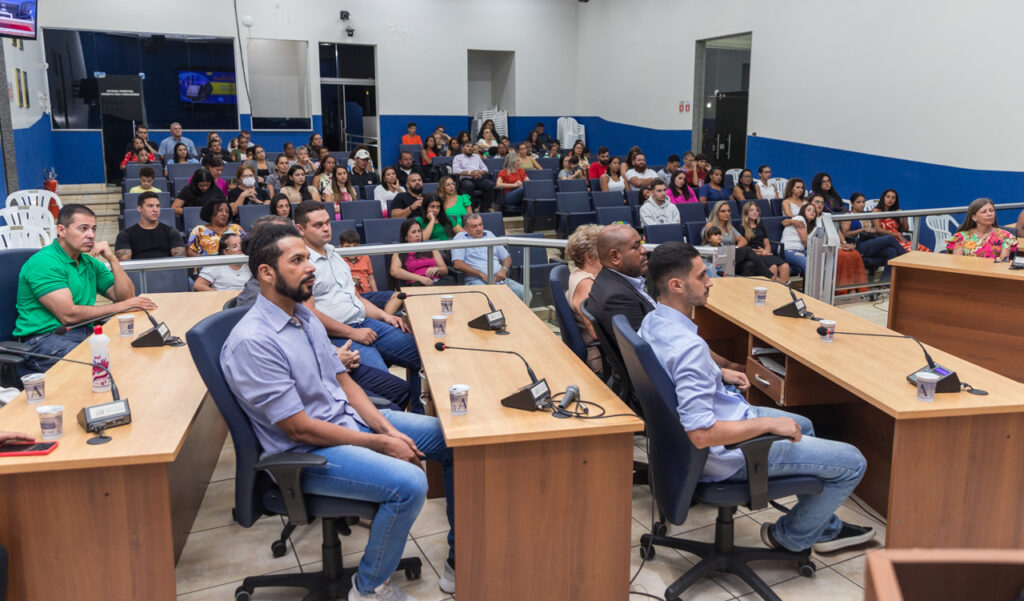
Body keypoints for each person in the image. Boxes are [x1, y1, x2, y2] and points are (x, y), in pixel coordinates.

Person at [219, 224, 455, 600]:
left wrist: (383, 427)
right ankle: (369, 588)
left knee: (451, 440)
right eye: (297, 260)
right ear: (266, 273)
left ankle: (457, 561)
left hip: (347, 422)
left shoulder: (304, 315)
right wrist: (379, 442)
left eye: (308, 259)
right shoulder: (254, 341)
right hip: (308, 453)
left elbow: (343, 380)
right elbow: (299, 430)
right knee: (409, 486)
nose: (310, 267)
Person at [639, 241, 875, 555]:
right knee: (854, 463)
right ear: (677, 285)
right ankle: (790, 536)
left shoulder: (653, 322)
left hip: (696, 442)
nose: (710, 281)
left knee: (802, 424)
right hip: (728, 455)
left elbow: (674, 372)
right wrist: (768, 424)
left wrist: (718, 373)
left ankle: (824, 526)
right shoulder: (689, 349)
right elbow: (701, 433)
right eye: (702, 276)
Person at [293, 201, 423, 395]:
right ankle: (393, 421)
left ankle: (420, 415)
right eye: (318, 225)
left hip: (363, 322)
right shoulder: (301, 264)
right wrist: (351, 333)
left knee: (421, 355)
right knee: (387, 386)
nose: (326, 228)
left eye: (327, 222)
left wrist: (385, 316)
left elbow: (356, 297)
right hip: (338, 336)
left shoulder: (334, 253)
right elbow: (308, 314)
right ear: (300, 229)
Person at [13, 204, 157, 376]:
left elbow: (125, 297)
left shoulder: (89, 262)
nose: (90, 235)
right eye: (83, 229)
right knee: (103, 366)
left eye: (93, 229)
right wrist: (123, 306)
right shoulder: (44, 262)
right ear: (61, 230)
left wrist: (113, 260)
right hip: (44, 339)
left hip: (82, 331)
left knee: (132, 351)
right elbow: (68, 315)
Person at [451, 213, 525, 300]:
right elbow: (458, 264)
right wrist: (481, 274)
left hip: (499, 279)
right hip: (477, 280)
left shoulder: (489, 234)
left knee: (525, 293)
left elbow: (506, 257)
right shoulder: (460, 238)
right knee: (492, 298)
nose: (479, 228)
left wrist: (504, 270)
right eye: (474, 226)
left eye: (480, 224)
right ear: (465, 229)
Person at [566, 224, 604, 374]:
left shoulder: (578, 272)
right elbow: (595, 333)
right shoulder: (586, 285)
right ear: (589, 257)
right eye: (603, 251)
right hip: (600, 357)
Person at [842, 194, 908, 279]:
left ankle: (885, 284)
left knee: (891, 251)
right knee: (890, 238)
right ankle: (907, 260)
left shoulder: (867, 215)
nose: (862, 204)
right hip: (857, 245)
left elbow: (874, 229)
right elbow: (846, 233)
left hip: (870, 242)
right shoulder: (848, 215)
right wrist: (861, 230)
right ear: (852, 203)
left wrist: (873, 230)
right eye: (858, 202)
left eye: (863, 202)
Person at [703, 200, 773, 278]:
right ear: (716, 213)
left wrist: (734, 250)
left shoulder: (730, 227)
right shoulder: (710, 225)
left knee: (749, 265)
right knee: (747, 249)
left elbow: (743, 240)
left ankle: (746, 288)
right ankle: (770, 276)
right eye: (723, 211)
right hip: (716, 256)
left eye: (728, 211)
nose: (727, 213)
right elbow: (708, 241)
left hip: (730, 256)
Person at [337, 229, 402, 314]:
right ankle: (383, 318)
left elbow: (371, 279)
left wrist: (375, 293)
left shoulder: (365, 256)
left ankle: (385, 319)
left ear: (359, 246)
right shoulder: (337, 259)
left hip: (368, 294)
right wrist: (349, 280)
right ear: (340, 247)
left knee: (398, 295)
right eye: (348, 247)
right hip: (351, 297)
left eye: (355, 246)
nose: (352, 250)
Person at [115, 192, 185, 260]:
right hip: (138, 271)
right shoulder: (125, 235)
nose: (155, 210)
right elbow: (124, 261)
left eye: (158, 206)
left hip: (167, 270)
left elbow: (179, 259)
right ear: (139, 208)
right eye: (150, 206)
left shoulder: (171, 232)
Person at [390, 219, 455, 287]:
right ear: (405, 237)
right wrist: (420, 278)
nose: (417, 235)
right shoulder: (400, 251)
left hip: (436, 282)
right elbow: (394, 271)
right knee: (418, 285)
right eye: (413, 232)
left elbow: (445, 270)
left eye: (419, 231)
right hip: (417, 283)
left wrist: (437, 269)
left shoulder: (431, 248)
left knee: (450, 279)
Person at [946, 197, 1016, 259]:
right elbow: (958, 263)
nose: (989, 214)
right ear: (974, 217)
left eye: (991, 210)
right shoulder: (960, 237)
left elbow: (1003, 263)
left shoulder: (1006, 236)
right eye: (984, 212)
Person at [740, 201, 790, 283]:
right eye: (751, 210)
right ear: (746, 213)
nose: (755, 212)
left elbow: (766, 242)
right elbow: (744, 249)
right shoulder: (742, 228)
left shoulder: (760, 225)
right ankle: (779, 287)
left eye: (756, 210)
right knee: (773, 267)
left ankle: (782, 289)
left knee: (785, 266)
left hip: (765, 253)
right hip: (754, 255)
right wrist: (760, 252)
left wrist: (766, 250)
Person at [452, 141, 494, 212]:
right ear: (463, 148)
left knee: (490, 185)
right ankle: (470, 210)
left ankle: (484, 208)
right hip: (465, 179)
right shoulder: (458, 157)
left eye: (471, 147)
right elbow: (455, 170)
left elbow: (485, 168)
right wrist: (469, 173)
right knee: (469, 186)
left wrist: (480, 173)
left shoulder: (476, 157)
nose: (470, 148)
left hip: (478, 178)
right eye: (468, 146)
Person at [780, 202, 817, 274]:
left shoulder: (810, 225)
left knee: (818, 258)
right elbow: (805, 241)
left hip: (800, 250)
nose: (812, 212)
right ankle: (812, 285)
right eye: (809, 210)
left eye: (814, 211)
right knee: (808, 263)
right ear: (803, 211)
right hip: (788, 250)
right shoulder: (800, 219)